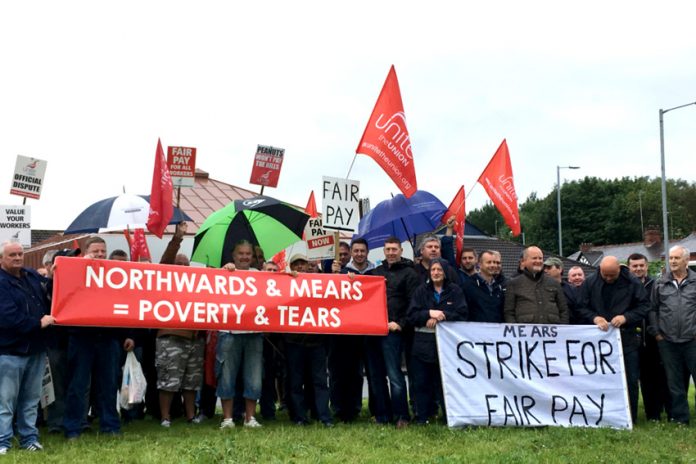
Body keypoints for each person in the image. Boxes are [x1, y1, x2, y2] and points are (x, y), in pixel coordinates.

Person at [63, 237, 136, 439]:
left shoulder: (114, 274)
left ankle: (110, 426)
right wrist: (81, 262)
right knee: (77, 386)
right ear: (87, 251)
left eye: (103, 251)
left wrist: (128, 334)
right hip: (81, 338)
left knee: (108, 385)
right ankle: (73, 428)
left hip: (108, 338)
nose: (100, 254)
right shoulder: (76, 269)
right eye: (96, 251)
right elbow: (62, 265)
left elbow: (125, 304)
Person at [575, 255, 649, 423]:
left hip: (627, 338)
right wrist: (594, 318)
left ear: (619, 270)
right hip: (598, 341)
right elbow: (580, 306)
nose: (608, 278)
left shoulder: (632, 282)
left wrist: (626, 317)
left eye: (612, 275)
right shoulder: (590, 282)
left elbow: (645, 306)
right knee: (600, 378)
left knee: (630, 379)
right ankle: (602, 414)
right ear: (600, 270)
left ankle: (630, 417)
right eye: (605, 275)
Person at [0, 240, 55, 454]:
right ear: (2, 259)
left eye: (20, 254)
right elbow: (7, 318)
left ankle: (28, 439)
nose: (17, 258)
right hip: (10, 351)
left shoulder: (31, 276)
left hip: (36, 349)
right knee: (5, 401)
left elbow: (51, 289)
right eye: (12, 255)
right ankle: (3, 441)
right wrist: (38, 323)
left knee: (31, 400)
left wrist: (55, 273)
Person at [365, 237, 419, 427]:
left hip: (393, 331)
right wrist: (352, 279)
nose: (391, 252)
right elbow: (360, 291)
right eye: (388, 249)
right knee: (375, 375)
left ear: (401, 251)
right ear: (384, 251)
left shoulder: (410, 274)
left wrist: (401, 324)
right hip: (373, 331)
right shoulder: (375, 273)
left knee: (395, 375)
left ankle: (402, 415)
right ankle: (382, 416)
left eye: (394, 249)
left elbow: (414, 303)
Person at [407, 258, 468, 424]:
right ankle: (422, 417)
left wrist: (442, 316)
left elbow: (462, 314)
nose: (436, 273)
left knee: (445, 383)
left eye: (439, 270)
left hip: (447, 344)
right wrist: (428, 313)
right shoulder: (421, 291)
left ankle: (448, 416)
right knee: (421, 382)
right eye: (433, 269)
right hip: (422, 343)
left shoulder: (455, 291)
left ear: (446, 272)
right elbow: (411, 315)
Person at [156, 223, 205, 427]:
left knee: (191, 382)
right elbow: (165, 263)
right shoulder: (165, 282)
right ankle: (165, 418)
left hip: (194, 339)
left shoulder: (196, 286)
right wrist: (177, 239)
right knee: (169, 381)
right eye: (179, 264)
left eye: (186, 265)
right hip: (171, 338)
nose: (183, 268)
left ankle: (190, 416)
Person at [648, 246, 696, 425]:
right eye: (670, 258)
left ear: (686, 259)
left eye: (677, 258)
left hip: (692, 340)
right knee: (674, 382)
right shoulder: (660, 283)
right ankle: (680, 419)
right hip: (668, 342)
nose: (673, 261)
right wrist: (657, 333)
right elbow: (653, 309)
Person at [217, 240, 263, 428]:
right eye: (240, 253)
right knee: (226, 375)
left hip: (254, 333)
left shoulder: (260, 276)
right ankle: (227, 419)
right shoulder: (225, 273)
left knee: (254, 376)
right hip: (229, 333)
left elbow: (280, 289)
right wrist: (223, 271)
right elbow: (211, 290)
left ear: (252, 256)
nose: (244, 257)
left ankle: (249, 418)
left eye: (248, 254)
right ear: (233, 256)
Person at [283, 254, 333, 427]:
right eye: (295, 264)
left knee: (320, 382)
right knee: (296, 383)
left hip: (316, 342)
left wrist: (339, 275)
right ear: (291, 267)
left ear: (307, 265)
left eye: (302, 264)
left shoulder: (319, 282)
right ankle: (299, 417)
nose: (300, 267)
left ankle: (324, 417)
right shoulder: (284, 283)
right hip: (294, 342)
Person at [328, 238, 374, 422]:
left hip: (364, 331)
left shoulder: (375, 273)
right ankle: (338, 408)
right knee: (338, 372)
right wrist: (335, 277)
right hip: (341, 331)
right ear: (352, 253)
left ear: (367, 252)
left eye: (362, 251)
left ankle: (354, 408)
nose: (359, 254)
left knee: (357, 373)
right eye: (356, 251)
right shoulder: (342, 272)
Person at [627, 253, 671, 421]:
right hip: (632, 338)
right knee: (641, 379)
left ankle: (663, 410)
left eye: (641, 265)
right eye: (634, 266)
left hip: (653, 338)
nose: (638, 268)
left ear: (646, 266)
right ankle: (650, 413)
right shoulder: (626, 287)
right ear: (630, 267)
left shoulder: (656, 285)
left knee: (659, 376)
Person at [504, 246, 569, 324]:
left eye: (540, 258)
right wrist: (516, 332)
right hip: (524, 333)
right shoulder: (513, 284)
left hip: (552, 334)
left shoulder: (554, 283)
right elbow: (509, 312)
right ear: (524, 261)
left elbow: (563, 310)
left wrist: (562, 330)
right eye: (534, 258)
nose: (538, 261)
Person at [461, 250, 505, 323]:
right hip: (475, 331)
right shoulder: (468, 286)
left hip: (496, 331)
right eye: (489, 262)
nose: (493, 265)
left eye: (494, 262)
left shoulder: (499, 286)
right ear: (480, 264)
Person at [543, 257, 581, 323]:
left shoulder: (572, 290)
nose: (545, 271)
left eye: (549, 268)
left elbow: (579, 311)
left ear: (560, 269)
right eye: (544, 268)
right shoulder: (540, 289)